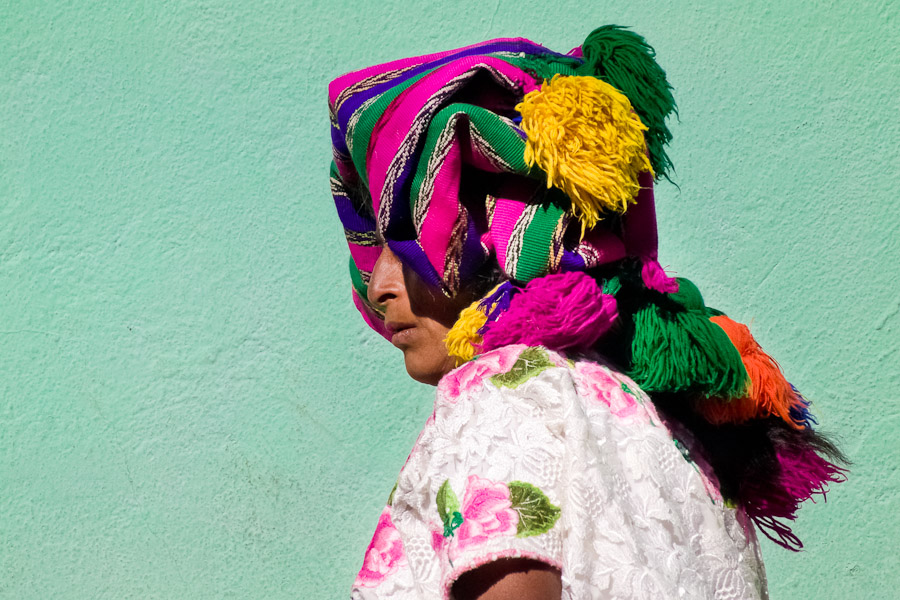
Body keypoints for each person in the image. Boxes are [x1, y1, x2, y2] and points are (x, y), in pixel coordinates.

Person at [328, 26, 847, 599]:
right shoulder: (666, 427)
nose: (377, 287)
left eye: (405, 246)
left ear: (499, 247)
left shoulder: (503, 396)